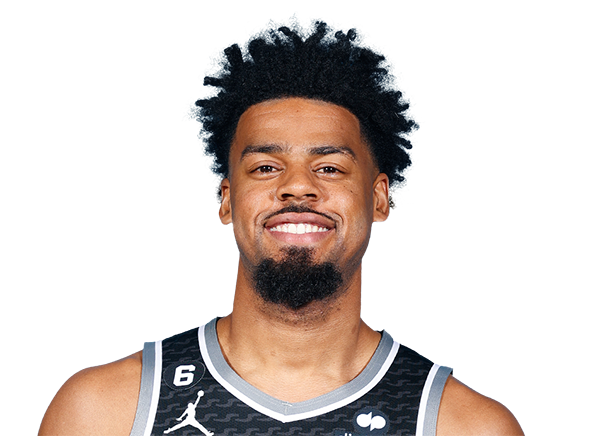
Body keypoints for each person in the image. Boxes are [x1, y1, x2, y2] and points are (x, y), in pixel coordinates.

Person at [39, 22, 523, 436]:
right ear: (228, 201)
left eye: (329, 168)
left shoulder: (464, 426)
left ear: (379, 199)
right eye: (266, 167)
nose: (297, 187)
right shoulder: (105, 411)